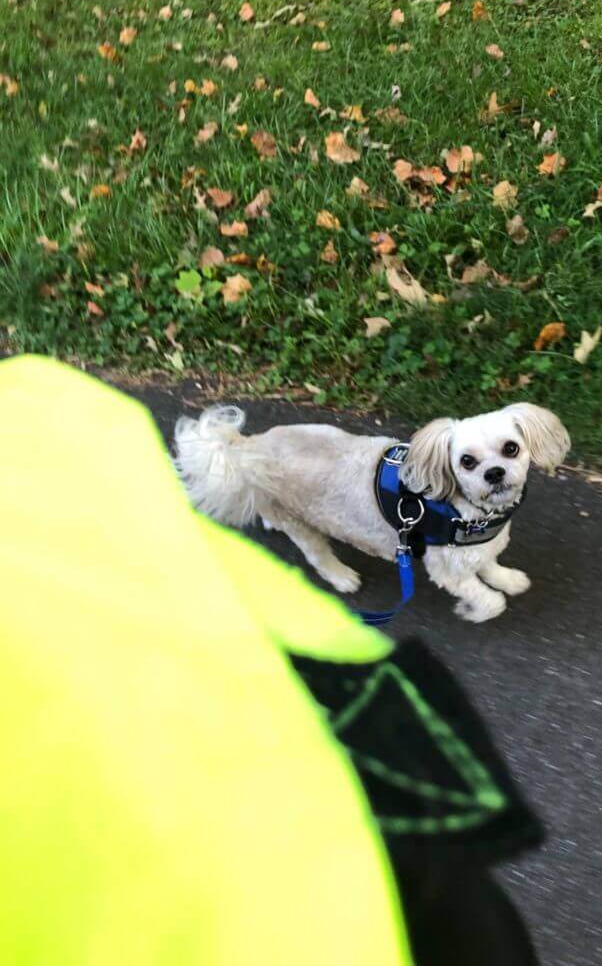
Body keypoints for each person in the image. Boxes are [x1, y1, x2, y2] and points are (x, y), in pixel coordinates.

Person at [0, 355, 543, 965]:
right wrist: (480, 592)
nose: (495, 472)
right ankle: (324, 560)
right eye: (471, 463)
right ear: (447, 464)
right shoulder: (45, 413)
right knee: (310, 529)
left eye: (507, 454)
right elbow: (449, 567)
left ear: (528, 445)